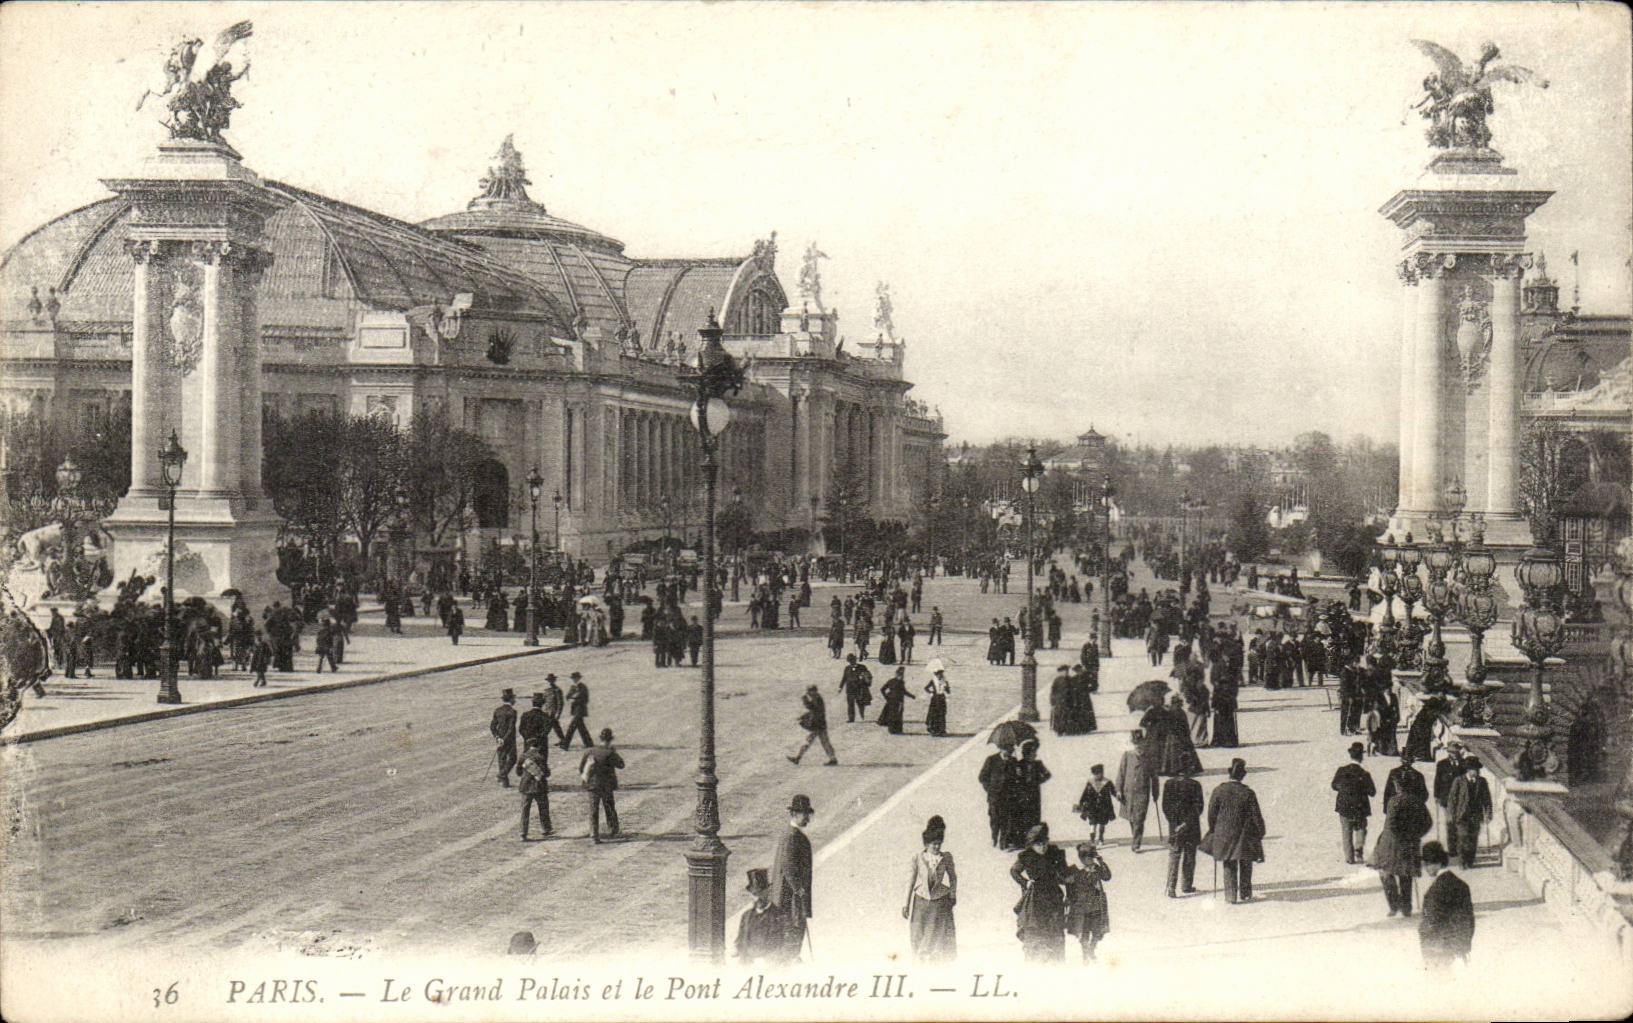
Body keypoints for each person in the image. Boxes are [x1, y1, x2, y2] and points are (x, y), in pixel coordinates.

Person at [1200, 758, 1266, 904]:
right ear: (1242, 776)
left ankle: (1230, 897)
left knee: (1229, 863)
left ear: (1229, 774)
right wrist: (1260, 832)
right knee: (1246, 862)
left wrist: (1214, 830)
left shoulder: (1219, 791)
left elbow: (1211, 815)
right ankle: (1245, 893)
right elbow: (1256, 816)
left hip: (1224, 834)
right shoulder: (1248, 793)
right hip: (1244, 835)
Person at [1368, 781, 1432, 917]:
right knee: (1406, 874)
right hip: (1411, 844)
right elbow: (1428, 822)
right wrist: (1415, 835)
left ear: (1398, 787)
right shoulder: (1418, 802)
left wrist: (1400, 836)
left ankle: (1394, 905)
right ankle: (1406, 907)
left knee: (1386, 873)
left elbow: (1391, 824)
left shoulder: (1394, 801)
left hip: (1392, 844)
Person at [1010, 823, 1069, 962]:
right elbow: (1014, 871)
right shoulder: (1026, 856)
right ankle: (1035, 958)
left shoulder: (1055, 853)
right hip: (1035, 898)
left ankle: (1056, 959)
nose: (1042, 847)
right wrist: (1025, 882)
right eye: (1038, 845)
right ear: (1032, 845)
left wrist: (1065, 881)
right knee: (1035, 929)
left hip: (1054, 895)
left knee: (1056, 927)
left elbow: (1064, 872)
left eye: (1044, 843)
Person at [903, 815, 957, 962]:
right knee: (919, 933)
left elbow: (953, 877)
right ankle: (920, 961)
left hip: (939, 900)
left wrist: (952, 894)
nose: (937, 847)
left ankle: (937, 961)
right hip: (921, 900)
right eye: (934, 844)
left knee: (938, 934)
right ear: (927, 844)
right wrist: (906, 904)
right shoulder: (918, 858)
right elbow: (910, 881)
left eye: (939, 844)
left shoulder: (946, 857)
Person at [770, 794, 816, 961]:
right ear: (794, 814)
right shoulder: (792, 837)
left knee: (791, 938)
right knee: (793, 936)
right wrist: (800, 890)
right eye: (804, 815)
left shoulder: (791, 835)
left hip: (789, 899)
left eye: (808, 815)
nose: (807, 819)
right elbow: (788, 868)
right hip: (790, 900)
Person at [1418, 840, 1474, 968]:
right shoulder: (1461, 884)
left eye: (1427, 864)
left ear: (1435, 864)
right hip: (1461, 948)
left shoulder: (1435, 890)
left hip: (1440, 951)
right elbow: (1469, 919)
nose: (1426, 868)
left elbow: (1432, 922)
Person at [1065, 841, 1112, 962]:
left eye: (1093, 857)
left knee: (1098, 932)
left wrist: (1101, 863)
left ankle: (1091, 949)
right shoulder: (1075, 870)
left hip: (1096, 905)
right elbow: (1068, 886)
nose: (1091, 860)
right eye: (1089, 857)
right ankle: (1085, 954)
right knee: (1084, 932)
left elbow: (1107, 877)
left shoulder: (1096, 868)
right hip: (1082, 907)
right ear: (1083, 858)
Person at [1162, 764, 1204, 897]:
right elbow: (1198, 808)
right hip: (1191, 827)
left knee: (1174, 855)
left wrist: (1175, 823)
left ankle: (1171, 887)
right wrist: (1186, 823)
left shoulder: (1169, 784)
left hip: (1174, 827)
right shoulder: (1195, 785)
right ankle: (1186, 885)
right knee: (1190, 856)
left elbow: (1165, 807)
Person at [1332, 741, 1376, 864]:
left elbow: (1334, 785)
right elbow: (1372, 792)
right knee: (1361, 828)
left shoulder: (1342, 770)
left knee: (1346, 831)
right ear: (1361, 757)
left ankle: (1349, 857)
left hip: (1344, 806)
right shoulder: (1364, 774)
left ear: (1350, 755)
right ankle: (1358, 850)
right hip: (1360, 806)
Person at [1116, 730, 1159, 853]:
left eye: (1140, 743)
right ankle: (1135, 837)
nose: (1138, 746)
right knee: (1131, 818)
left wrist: (1155, 793)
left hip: (1142, 793)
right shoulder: (1127, 755)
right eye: (1135, 743)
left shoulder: (1149, 758)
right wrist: (1118, 789)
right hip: (1128, 793)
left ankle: (1136, 844)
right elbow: (1121, 773)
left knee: (1139, 818)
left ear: (1143, 743)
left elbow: (1154, 777)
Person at [1446, 756, 1492, 869]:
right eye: (1474, 769)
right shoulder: (1459, 781)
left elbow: (1487, 799)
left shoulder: (1482, 782)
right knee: (1463, 837)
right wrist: (1451, 814)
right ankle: (1462, 862)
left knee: (1473, 838)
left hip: (1476, 815)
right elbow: (1452, 799)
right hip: (1462, 815)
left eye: (1477, 770)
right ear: (1468, 770)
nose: (1476, 772)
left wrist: (1488, 813)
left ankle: (1470, 861)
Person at [579, 727, 623, 843]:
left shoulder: (590, 751)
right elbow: (621, 765)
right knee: (609, 807)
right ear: (610, 740)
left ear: (600, 739)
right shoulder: (610, 753)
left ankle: (594, 834)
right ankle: (613, 829)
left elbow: (581, 768)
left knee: (593, 810)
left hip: (592, 785)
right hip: (606, 785)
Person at [735, 869, 789, 965]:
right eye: (755, 894)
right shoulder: (746, 916)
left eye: (761, 893)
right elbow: (740, 941)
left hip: (769, 964)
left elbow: (781, 945)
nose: (758, 898)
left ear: (768, 892)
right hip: (747, 963)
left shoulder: (778, 915)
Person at [1007, 738, 1051, 850]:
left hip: (1034, 795)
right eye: (1032, 752)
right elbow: (1013, 779)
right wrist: (1017, 775)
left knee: (1034, 817)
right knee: (1021, 817)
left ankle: (1033, 840)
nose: (1035, 755)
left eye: (1035, 752)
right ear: (1026, 753)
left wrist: (1037, 781)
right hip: (1021, 795)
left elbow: (1047, 774)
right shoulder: (1019, 764)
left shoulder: (1038, 764)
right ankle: (1020, 841)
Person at [788, 684, 837, 765]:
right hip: (819, 724)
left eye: (810, 691)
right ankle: (833, 759)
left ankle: (798, 758)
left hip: (817, 725)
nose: (809, 693)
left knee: (810, 741)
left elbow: (813, 709)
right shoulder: (817, 698)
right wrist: (803, 716)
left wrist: (805, 701)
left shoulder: (817, 699)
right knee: (823, 742)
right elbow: (812, 711)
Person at [1074, 763, 1118, 845]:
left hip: (1104, 807)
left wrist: (1119, 797)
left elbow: (1114, 792)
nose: (1098, 775)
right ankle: (1092, 841)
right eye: (1096, 774)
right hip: (1092, 807)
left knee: (1102, 824)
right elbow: (1085, 794)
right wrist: (1081, 802)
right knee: (1092, 824)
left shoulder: (1107, 782)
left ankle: (1101, 839)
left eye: (1100, 773)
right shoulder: (1090, 782)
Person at [980, 744, 1014, 848]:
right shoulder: (991, 760)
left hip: (1007, 796)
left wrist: (1018, 773)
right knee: (994, 818)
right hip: (994, 797)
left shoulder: (1013, 761)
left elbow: (1016, 780)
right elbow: (982, 777)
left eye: (1011, 749)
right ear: (1001, 749)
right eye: (1006, 749)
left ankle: (1003, 841)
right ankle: (994, 837)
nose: (1009, 751)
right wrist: (990, 789)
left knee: (1006, 819)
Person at [518, 739, 553, 839]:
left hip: (526, 787)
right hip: (539, 787)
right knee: (543, 808)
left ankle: (523, 832)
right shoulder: (540, 757)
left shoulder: (523, 756)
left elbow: (518, 771)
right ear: (538, 746)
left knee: (525, 810)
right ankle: (546, 829)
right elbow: (546, 773)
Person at [1384, 751, 1429, 816]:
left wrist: (1416, 806)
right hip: (1398, 810)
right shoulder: (1394, 773)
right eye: (1405, 759)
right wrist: (1387, 809)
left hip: (1410, 811)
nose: (1407, 762)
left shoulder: (1418, 775)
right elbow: (1388, 792)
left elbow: (1424, 794)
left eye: (1408, 760)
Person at [491, 688, 519, 788]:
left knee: (501, 760)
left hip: (500, 739)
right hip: (509, 739)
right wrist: (504, 739)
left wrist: (497, 737)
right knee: (513, 759)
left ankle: (505, 783)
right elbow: (511, 728)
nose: (515, 700)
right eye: (513, 698)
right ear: (511, 699)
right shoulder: (512, 712)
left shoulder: (497, 710)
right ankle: (501, 775)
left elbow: (492, 726)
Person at [559, 672, 592, 751]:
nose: (574, 680)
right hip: (575, 710)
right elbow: (567, 696)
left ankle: (565, 744)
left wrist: (574, 699)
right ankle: (589, 744)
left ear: (579, 678)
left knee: (572, 727)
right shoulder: (573, 687)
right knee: (581, 727)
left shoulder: (583, 687)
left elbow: (585, 699)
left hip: (580, 709)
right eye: (573, 678)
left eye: (576, 678)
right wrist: (571, 699)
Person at [877, 667, 915, 735]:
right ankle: (892, 729)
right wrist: (886, 697)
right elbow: (882, 689)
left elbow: (904, 691)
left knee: (899, 715)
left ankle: (898, 730)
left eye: (902, 675)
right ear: (897, 675)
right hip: (892, 701)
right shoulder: (891, 681)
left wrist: (912, 696)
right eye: (900, 675)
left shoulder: (901, 682)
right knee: (892, 715)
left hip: (900, 701)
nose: (902, 677)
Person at [838, 654, 873, 723]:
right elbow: (844, 678)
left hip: (859, 688)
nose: (851, 662)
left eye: (852, 660)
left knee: (860, 703)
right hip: (850, 689)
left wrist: (864, 678)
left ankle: (862, 715)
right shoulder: (847, 668)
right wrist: (840, 687)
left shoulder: (862, 667)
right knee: (850, 704)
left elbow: (868, 676)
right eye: (850, 661)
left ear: (855, 660)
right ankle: (851, 719)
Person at [923, 663, 950, 737]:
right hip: (935, 699)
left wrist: (946, 688)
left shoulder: (945, 681)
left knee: (942, 714)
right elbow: (926, 688)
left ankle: (941, 730)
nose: (940, 676)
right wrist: (931, 692)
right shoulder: (933, 681)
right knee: (934, 714)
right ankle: (934, 730)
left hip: (942, 699)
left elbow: (948, 691)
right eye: (938, 674)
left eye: (941, 674)